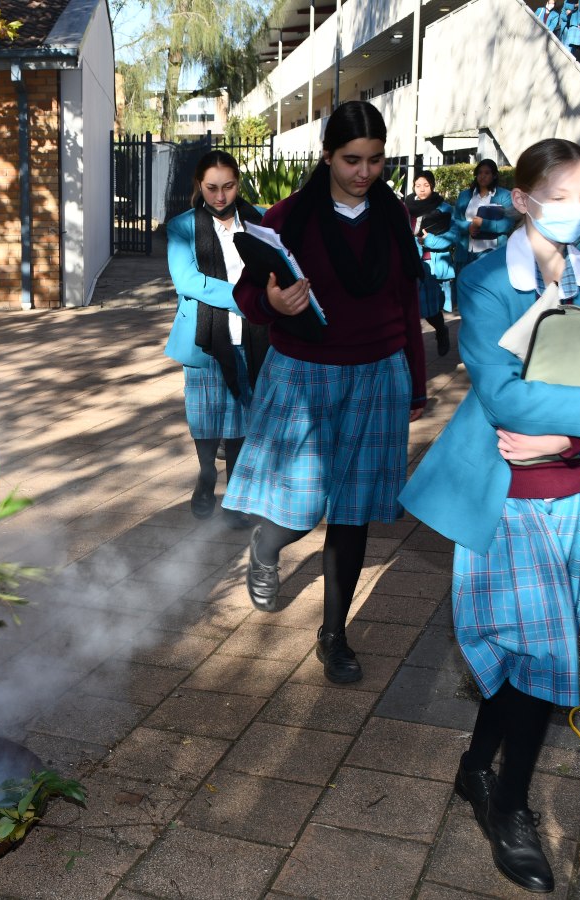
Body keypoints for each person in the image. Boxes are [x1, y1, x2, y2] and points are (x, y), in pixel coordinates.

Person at [401, 139, 580, 894]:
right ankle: (496, 793)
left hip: (574, 492)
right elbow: (503, 396)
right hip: (504, 498)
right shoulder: (485, 283)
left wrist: (569, 433)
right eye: (564, 195)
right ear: (522, 198)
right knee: (531, 655)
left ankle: (490, 783)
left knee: (536, 655)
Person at [222, 101, 426, 684]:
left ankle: (334, 635)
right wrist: (271, 305)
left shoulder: (393, 216)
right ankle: (266, 546)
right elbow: (246, 294)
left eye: (376, 160)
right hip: (304, 374)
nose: (365, 173)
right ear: (328, 156)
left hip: (379, 373)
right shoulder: (289, 216)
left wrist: (415, 377)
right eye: (352, 160)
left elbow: (406, 304)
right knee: (302, 506)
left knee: (354, 514)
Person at [164, 150, 267, 527]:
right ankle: (207, 474)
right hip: (205, 337)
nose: (220, 196)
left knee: (243, 415)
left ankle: (236, 497)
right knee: (206, 417)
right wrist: (246, 298)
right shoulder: (182, 226)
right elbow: (188, 281)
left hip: (253, 335)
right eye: (212, 188)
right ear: (199, 186)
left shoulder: (258, 221)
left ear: (238, 183)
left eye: (228, 187)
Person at [406, 171, 461, 354]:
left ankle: (440, 330)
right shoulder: (405, 207)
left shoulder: (444, 209)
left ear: (432, 186)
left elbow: (452, 237)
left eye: (426, 185)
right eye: (418, 185)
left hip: (430, 263)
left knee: (429, 306)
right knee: (409, 307)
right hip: (409, 262)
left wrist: (428, 240)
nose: (421, 189)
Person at [454, 160, 517, 274]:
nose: (482, 176)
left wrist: (484, 224)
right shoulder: (465, 195)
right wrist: (468, 227)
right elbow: (455, 221)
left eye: (487, 173)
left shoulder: (505, 196)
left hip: (492, 252)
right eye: (480, 173)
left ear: (494, 175)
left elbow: (508, 223)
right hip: (465, 252)